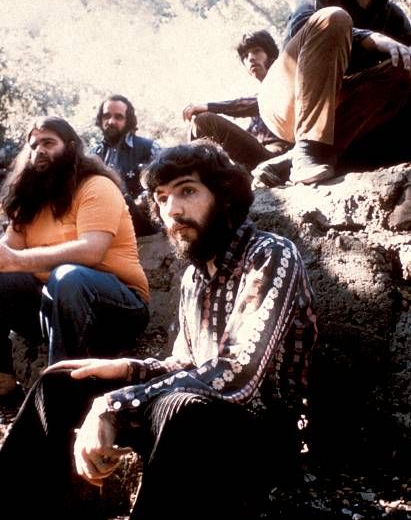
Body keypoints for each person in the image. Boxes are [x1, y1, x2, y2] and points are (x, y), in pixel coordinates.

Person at [0, 140, 317, 520]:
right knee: (64, 380)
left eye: (187, 191)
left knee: (178, 406)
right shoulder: (194, 279)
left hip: (265, 436)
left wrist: (114, 404)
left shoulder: (271, 255)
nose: (173, 210)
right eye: (162, 198)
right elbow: (185, 364)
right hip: (202, 416)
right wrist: (126, 369)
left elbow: (236, 375)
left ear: (226, 196)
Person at [254, 0, 411, 188]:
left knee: (405, 69)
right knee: (334, 18)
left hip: (338, 114)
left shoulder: (394, 20)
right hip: (285, 98)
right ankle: (305, 152)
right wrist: (368, 38)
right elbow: (299, 36)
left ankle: (303, 159)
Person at [0, 116, 149, 403]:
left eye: (48, 143)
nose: (39, 151)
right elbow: (8, 254)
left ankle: (60, 397)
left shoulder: (96, 186)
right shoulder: (28, 200)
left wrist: (16, 259)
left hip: (119, 310)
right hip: (57, 312)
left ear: (70, 147)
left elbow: (91, 251)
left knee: (68, 275)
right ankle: (4, 378)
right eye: (33, 145)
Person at [182, 30, 291, 171]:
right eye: (245, 56)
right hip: (258, 155)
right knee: (198, 125)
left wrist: (208, 106)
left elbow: (251, 104)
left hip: (278, 156)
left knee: (205, 120)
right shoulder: (261, 91)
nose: (251, 58)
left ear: (270, 55)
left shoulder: (284, 81)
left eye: (257, 51)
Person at [93, 94, 160, 236]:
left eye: (118, 117)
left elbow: (166, 184)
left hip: (142, 225)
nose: (111, 121)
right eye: (106, 116)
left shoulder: (149, 148)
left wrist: (141, 200)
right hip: (103, 226)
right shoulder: (93, 155)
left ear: (128, 120)